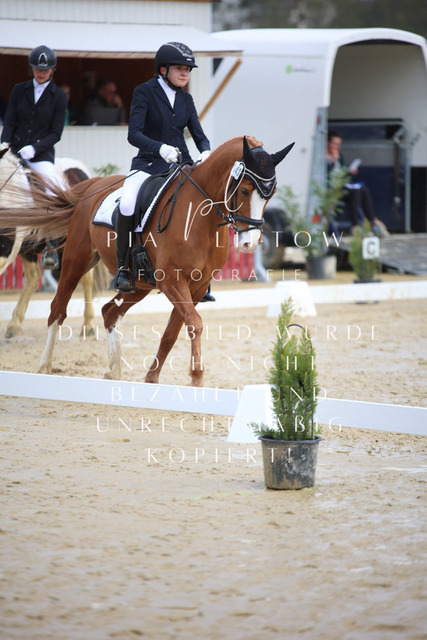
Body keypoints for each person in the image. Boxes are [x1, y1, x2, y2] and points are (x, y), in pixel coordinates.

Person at [113, 41, 212, 297]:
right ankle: (123, 268)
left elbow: (198, 134)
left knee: (204, 205)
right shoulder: (144, 92)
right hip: (149, 163)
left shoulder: (186, 99)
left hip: (182, 164)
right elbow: (134, 134)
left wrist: (206, 151)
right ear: (163, 70)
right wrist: (160, 148)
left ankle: (202, 275)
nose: (185, 74)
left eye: (188, 70)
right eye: (180, 68)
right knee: (127, 203)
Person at [0, 45, 68, 268]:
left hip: (41, 155)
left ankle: (51, 244)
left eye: (45, 69)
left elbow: (55, 133)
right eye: (37, 69)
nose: (41, 73)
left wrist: (35, 149)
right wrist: (5, 144)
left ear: (52, 70)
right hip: (14, 152)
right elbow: (10, 121)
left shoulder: (59, 96)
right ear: (32, 68)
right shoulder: (19, 90)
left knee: (52, 190)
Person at [326, 130, 389, 237]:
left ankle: (371, 222)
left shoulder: (339, 156)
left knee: (363, 190)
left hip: (343, 187)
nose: (337, 147)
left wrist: (349, 172)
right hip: (332, 190)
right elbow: (325, 176)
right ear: (328, 143)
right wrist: (332, 163)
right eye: (335, 144)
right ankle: (355, 225)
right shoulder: (323, 158)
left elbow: (343, 175)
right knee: (357, 191)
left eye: (339, 144)